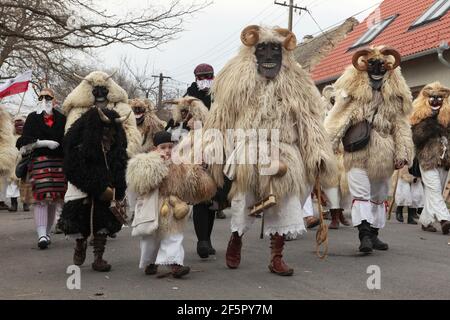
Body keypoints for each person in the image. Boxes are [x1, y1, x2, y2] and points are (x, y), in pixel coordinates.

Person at [203, 25, 336, 276]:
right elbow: (221, 117)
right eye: (262, 48)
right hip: (249, 148)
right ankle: (237, 237)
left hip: (285, 150)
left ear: (283, 52)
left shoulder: (297, 81)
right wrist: (212, 149)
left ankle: (277, 256)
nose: (269, 55)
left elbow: (309, 121)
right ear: (252, 51)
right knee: (244, 201)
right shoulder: (235, 79)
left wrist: (317, 152)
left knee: (285, 203)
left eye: (275, 49)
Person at [325, 46, 414, 253]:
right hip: (357, 151)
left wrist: (402, 153)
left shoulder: (394, 99)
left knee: (380, 194)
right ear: (363, 69)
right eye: (372, 66)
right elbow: (338, 119)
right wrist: (327, 147)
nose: (376, 71)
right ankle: (364, 235)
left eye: (381, 66)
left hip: (384, 153)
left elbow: (400, 126)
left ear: (388, 69)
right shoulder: (353, 96)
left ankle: (374, 234)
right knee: (361, 193)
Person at [127, 131, 216, 278]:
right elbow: (140, 184)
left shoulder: (179, 164)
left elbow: (190, 179)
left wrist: (199, 169)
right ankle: (150, 262)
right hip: (152, 206)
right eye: (163, 147)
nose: (167, 150)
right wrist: (157, 163)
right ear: (155, 148)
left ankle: (175, 264)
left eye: (170, 146)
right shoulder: (144, 163)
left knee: (173, 236)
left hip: (173, 207)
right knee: (150, 239)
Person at [59, 107, 129, 272]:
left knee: (103, 223)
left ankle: (98, 257)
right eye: (105, 129)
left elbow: (120, 167)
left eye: (112, 130)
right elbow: (73, 170)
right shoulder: (79, 144)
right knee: (79, 222)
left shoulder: (115, 146)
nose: (109, 134)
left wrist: (116, 190)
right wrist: (97, 187)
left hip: (107, 192)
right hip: (82, 190)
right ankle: (80, 244)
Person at [16, 88, 67, 249]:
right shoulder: (33, 117)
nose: (45, 100)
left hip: (58, 163)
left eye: (48, 97)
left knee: (54, 200)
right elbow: (23, 142)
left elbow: (67, 139)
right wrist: (43, 143)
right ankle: (41, 235)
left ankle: (47, 233)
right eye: (42, 97)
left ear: (54, 100)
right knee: (41, 200)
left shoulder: (61, 118)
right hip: (39, 161)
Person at [64, 71, 142, 156]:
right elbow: (71, 134)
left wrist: (125, 153)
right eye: (96, 90)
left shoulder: (121, 107)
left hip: (115, 156)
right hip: (87, 157)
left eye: (103, 90)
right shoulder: (78, 110)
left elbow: (131, 132)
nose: (100, 94)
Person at [410, 82, 450, 234]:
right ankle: (445, 219)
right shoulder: (420, 119)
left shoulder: (447, 119)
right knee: (434, 190)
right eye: (432, 98)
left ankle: (426, 221)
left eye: (439, 98)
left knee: (434, 193)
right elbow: (417, 138)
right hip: (427, 161)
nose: (435, 101)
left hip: (444, 162)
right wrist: (431, 122)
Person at [7, 115, 26, 212]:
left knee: (25, 183)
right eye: (17, 125)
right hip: (13, 164)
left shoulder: (27, 137)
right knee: (12, 185)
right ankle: (14, 204)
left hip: (24, 162)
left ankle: (26, 203)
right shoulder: (10, 138)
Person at [0, 106, 17, 211]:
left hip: (5, 153)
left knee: (7, 179)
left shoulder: (5, 121)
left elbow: (7, 136)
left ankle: (3, 201)